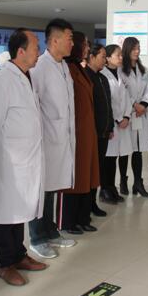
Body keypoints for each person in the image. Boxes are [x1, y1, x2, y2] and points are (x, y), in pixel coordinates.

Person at [0, 28, 48, 286]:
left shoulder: (26, 77)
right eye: (35, 48)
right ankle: (4, 264)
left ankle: (19, 255)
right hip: (6, 161)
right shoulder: (0, 82)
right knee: (5, 212)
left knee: (19, 210)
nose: (39, 52)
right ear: (21, 51)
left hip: (25, 159)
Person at [28, 18, 77, 259]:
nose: (72, 43)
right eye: (69, 38)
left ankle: (51, 231)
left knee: (53, 188)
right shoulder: (40, 66)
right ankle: (37, 237)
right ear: (55, 40)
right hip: (46, 138)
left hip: (62, 137)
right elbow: (33, 104)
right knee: (42, 190)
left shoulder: (63, 66)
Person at [59, 31, 101, 234]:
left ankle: (83, 217)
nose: (87, 48)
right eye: (84, 44)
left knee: (87, 176)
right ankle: (69, 221)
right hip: (76, 132)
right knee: (75, 178)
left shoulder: (78, 67)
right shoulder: (67, 68)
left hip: (87, 131)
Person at [85, 44, 122, 207]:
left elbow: (108, 106)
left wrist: (110, 127)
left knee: (98, 168)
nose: (104, 60)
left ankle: (93, 202)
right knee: (91, 169)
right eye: (101, 57)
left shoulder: (102, 78)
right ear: (91, 57)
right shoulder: (86, 77)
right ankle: (89, 204)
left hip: (104, 131)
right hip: (92, 131)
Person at [119, 37, 148, 197]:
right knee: (125, 150)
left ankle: (138, 183)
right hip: (128, 114)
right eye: (134, 48)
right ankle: (123, 181)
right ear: (127, 50)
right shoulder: (120, 70)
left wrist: (144, 104)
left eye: (138, 48)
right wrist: (134, 104)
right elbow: (122, 92)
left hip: (140, 114)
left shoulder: (143, 70)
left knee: (138, 150)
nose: (137, 51)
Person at [101, 45, 134, 197]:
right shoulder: (103, 75)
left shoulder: (121, 74)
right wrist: (119, 119)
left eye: (121, 55)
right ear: (108, 58)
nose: (121, 58)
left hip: (123, 122)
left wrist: (126, 116)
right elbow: (109, 102)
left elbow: (127, 98)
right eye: (118, 55)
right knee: (109, 158)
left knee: (118, 155)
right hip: (112, 123)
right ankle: (105, 188)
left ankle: (112, 188)